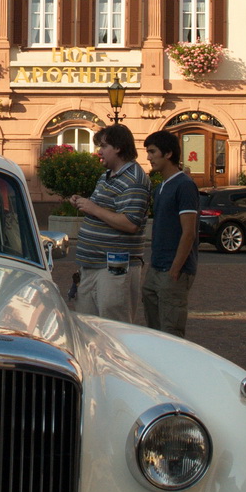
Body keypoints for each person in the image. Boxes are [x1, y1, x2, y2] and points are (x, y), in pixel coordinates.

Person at [70, 123, 150, 322]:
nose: (99, 151)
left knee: (114, 331)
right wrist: (82, 203)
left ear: (118, 148)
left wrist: (93, 208)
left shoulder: (135, 180)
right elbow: (102, 210)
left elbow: (130, 223)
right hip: (90, 266)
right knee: (87, 329)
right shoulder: (105, 177)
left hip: (114, 270)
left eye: (104, 146)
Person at [141, 131, 200, 336]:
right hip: (156, 267)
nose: (148, 157)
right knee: (155, 331)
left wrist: (175, 269)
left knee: (171, 332)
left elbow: (189, 232)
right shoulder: (161, 188)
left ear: (168, 154)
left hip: (173, 270)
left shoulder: (184, 185)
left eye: (152, 152)